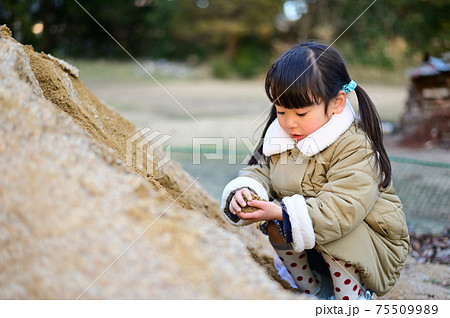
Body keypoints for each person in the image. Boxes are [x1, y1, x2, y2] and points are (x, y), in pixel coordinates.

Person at [220, 42, 410, 300]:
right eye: (281, 111)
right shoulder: (285, 137)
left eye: (300, 112)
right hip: (315, 244)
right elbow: (263, 171)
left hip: (370, 247)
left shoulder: (354, 146)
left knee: (330, 232)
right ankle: (314, 291)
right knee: (278, 224)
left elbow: (342, 209)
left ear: (337, 103)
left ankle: (350, 299)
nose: (289, 122)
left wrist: (282, 211)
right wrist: (246, 190)